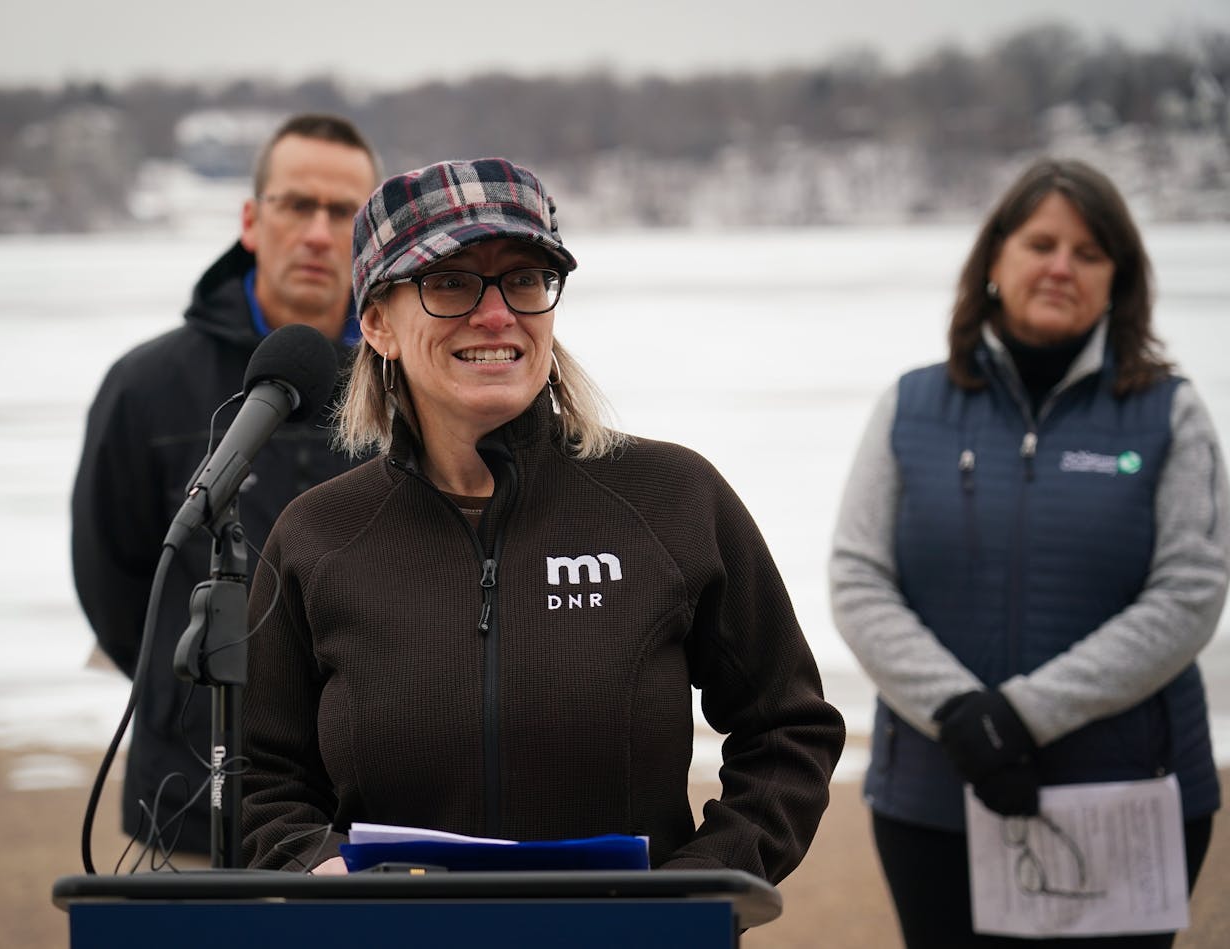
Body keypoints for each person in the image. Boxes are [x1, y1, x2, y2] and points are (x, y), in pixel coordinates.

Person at [238, 156, 845, 880]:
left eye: (525, 279)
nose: (496, 314)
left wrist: (705, 883)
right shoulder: (318, 536)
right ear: (377, 323)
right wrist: (312, 863)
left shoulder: (672, 498)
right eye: (450, 282)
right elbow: (256, 773)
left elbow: (788, 727)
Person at [830, 157, 1229, 947]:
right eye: (1041, 242)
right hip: (937, 795)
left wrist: (1020, 714)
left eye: (1088, 253)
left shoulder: (1169, 413)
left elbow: (1189, 594)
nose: (1059, 266)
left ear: (1120, 279)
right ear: (994, 262)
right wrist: (959, 714)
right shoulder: (910, 406)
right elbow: (858, 578)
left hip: (1127, 802)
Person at [71, 113, 380, 861]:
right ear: (251, 219)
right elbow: (116, 587)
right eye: (294, 204)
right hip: (187, 802)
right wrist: (191, 689)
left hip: (361, 815)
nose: (316, 232)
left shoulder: (414, 391)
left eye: (342, 213)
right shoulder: (147, 386)